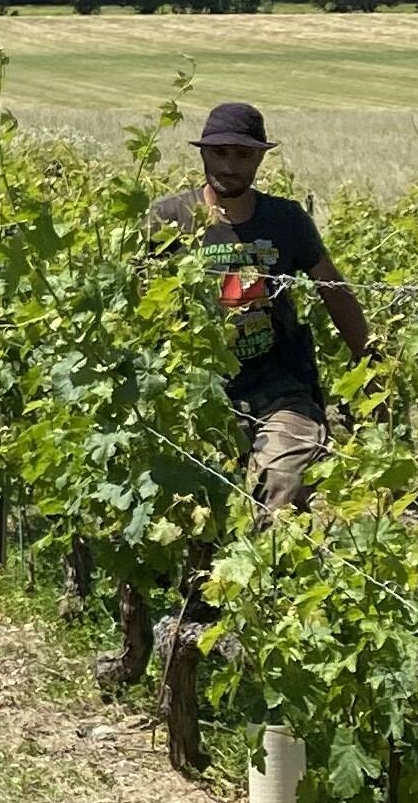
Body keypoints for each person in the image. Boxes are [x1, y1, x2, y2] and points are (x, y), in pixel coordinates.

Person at [150, 102, 370, 512]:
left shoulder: (285, 220)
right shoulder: (168, 219)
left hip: (279, 387)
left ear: (260, 158)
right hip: (192, 392)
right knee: (198, 506)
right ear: (203, 153)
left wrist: (371, 361)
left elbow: (334, 289)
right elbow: (135, 303)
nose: (229, 165)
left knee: (283, 481)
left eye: (243, 155)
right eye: (220, 153)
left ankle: (273, 553)